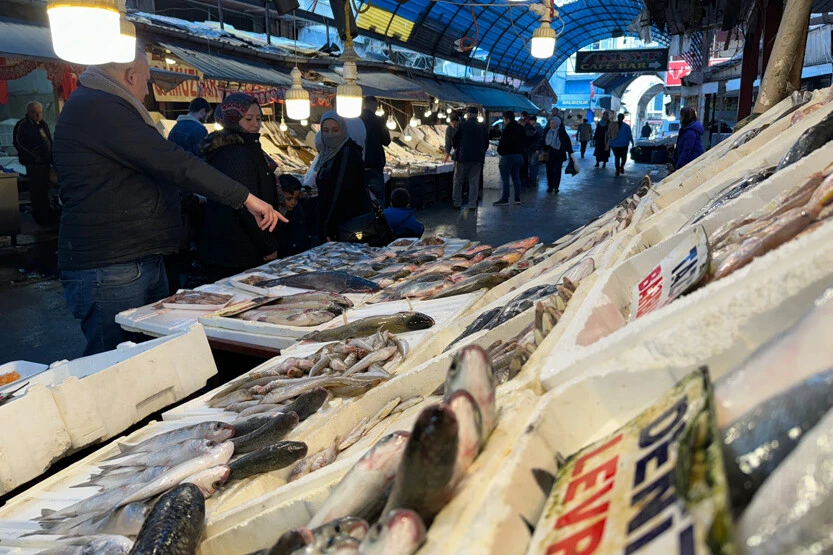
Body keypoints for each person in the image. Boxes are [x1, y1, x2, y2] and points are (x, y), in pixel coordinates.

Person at [53, 49, 282, 356]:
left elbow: (156, 170)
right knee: (116, 362)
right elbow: (173, 162)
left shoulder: (104, 105)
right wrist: (245, 198)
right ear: (130, 77)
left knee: (151, 354)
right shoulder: (100, 108)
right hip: (112, 264)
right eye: (146, 81)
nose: (147, 90)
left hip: (134, 256)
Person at [198, 93, 285, 281]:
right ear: (233, 119)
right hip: (236, 250)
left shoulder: (247, 147)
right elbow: (246, 208)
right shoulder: (235, 153)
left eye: (259, 118)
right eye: (248, 119)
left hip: (240, 247)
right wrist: (268, 246)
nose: (256, 123)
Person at [166, 97, 211, 292]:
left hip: (177, 188)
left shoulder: (175, 129)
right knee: (198, 230)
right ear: (203, 112)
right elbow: (203, 164)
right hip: (195, 189)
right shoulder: (199, 130)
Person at [314, 111, 370, 241]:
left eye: (335, 130)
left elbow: (340, 193)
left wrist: (329, 226)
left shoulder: (348, 154)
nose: (330, 135)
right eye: (326, 131)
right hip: (334, 221)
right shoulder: (328, 154)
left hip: (344, 225)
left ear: (343, 130)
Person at [14, 101, 55, 226]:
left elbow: (48, 141)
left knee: (45, 188)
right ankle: (39, 215)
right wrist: (33, 156)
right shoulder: (22, 125)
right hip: (33, 164)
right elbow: (18, 143)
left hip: (46, 163)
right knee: (37, 190)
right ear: (28, 113)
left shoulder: (43, 124)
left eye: (40, 113)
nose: (37, 115)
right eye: (34, 113)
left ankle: (47, 213)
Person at [452, 106, 489, 211]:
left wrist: (457, 148)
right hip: (477, 159)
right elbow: (486, 143)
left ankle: (457, 202)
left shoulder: (463, 125)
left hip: (462, 158)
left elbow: (455, 139)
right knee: (474, 181)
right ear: (477, 115)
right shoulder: (482, 127)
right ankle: (472, 204)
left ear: (468, 114)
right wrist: (480, 152)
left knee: (458, 180)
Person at [359, 96, 391, 205]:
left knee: (361, 199)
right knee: (378, 198)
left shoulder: (356, 120)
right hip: (375, 165)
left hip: (359, 165)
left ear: (363, 105)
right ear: (375, 105)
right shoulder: (379, 121)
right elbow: (387, 141)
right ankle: (379, 221)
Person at [494, 110, 525, 206]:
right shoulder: (520, 128)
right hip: (519, 156)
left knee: (505, 179)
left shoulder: (507, 129)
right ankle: (517, 198)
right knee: (516, 178)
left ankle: (505, 199)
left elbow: (502, 143)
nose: (504, 121)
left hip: (508, 157)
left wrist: (500, 151)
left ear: (507, 119)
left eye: (504, 119)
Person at [277, 174, 310, 257]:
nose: (293, 202)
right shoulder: (276, 212)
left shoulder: (299, 209)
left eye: (296, 198)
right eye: (289, 199)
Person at [544, 116, 572, 194]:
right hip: (549, 154)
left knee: (557, 171)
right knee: (549, 171)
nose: (551, 125)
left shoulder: (562, 132)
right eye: (550, 123)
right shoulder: (547, 131)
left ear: (557, 123)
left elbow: (567, 143)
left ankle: (556, 187)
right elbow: (542, 140)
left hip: (558, 155)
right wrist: (539, 148)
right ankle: (550, 186)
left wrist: (570, 152)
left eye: (553, 123)